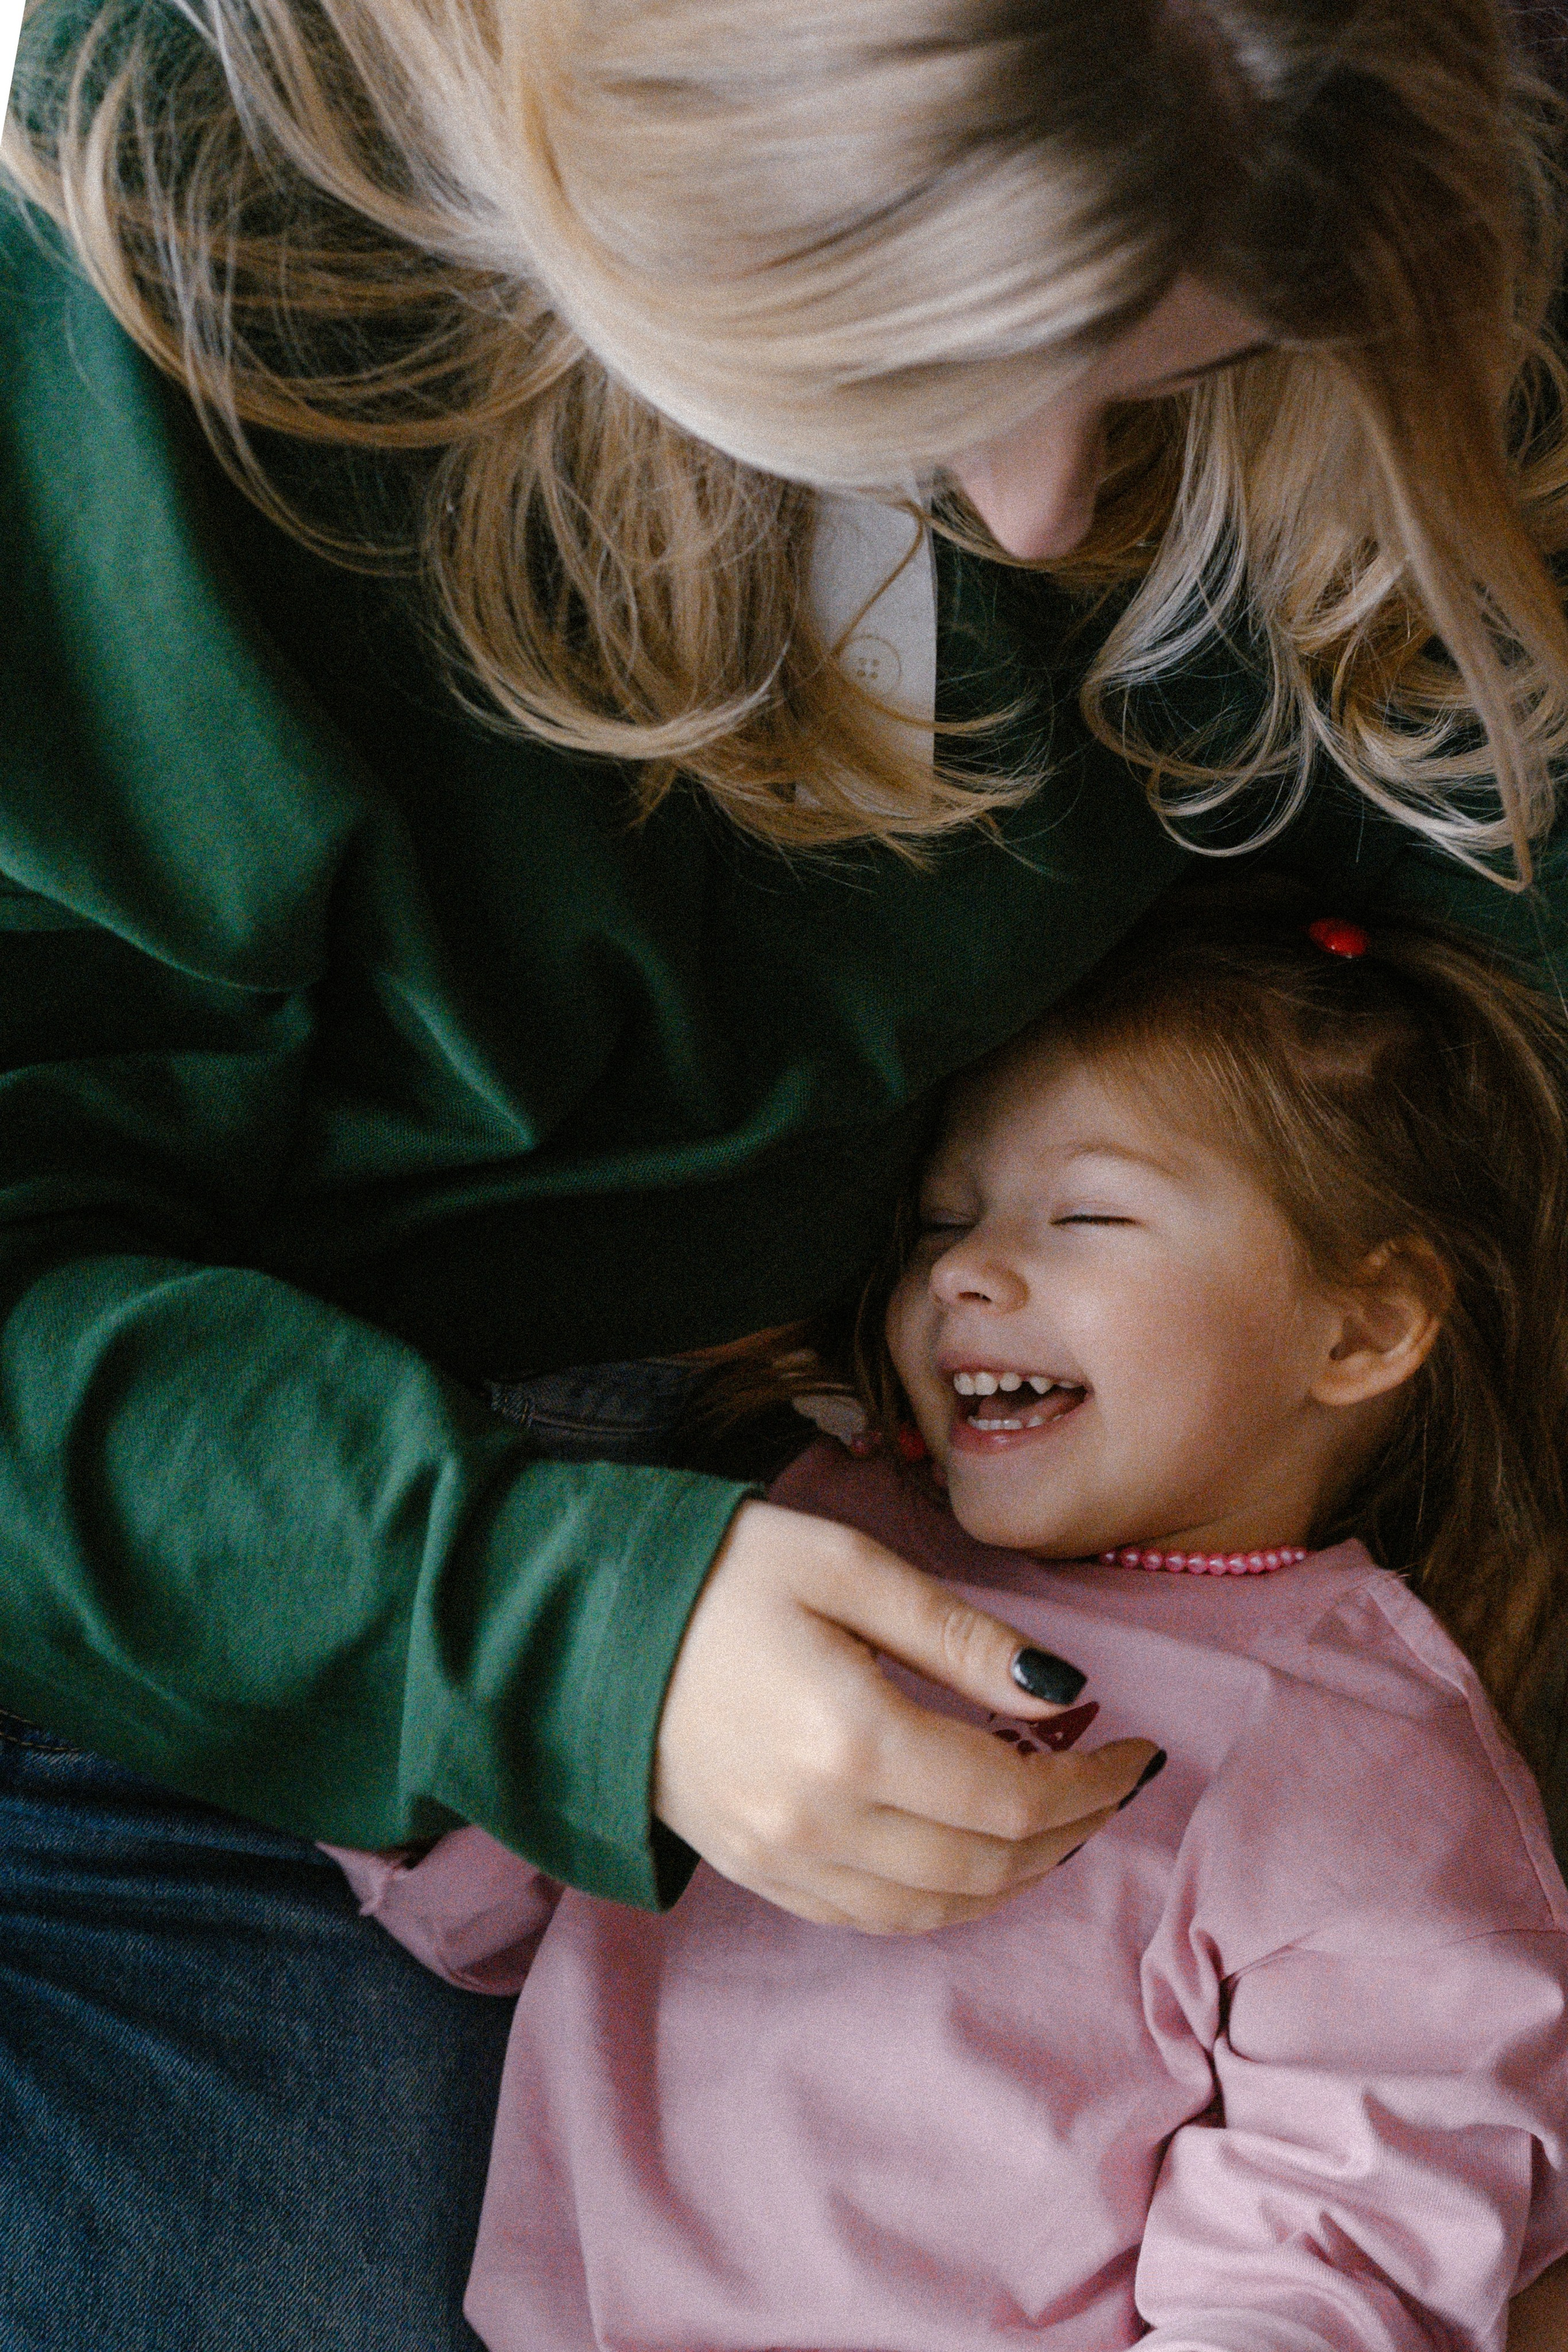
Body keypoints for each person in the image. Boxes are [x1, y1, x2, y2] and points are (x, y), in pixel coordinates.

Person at [2, 1, 1568, 2344]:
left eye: (1166, 373)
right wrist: (568, 1653)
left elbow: (1390, 2151)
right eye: (925, 353)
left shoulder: (1350, 1754)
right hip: (228, 1511)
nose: (1043, 511)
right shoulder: (165, 296)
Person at [330, 882, 1568, 2352]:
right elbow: (509, 1905)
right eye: (938, 1220)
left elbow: (1342, 2244)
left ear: (1357, 1329)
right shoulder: (789, 1537)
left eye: (1087, 1214)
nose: (961, 1272)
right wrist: (434, 1770)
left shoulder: (1369, 1764)